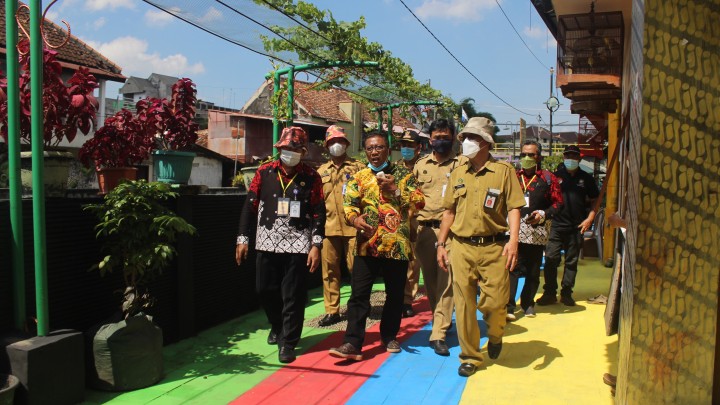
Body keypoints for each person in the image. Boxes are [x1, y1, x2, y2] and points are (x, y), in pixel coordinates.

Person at [435, 116, 525, 377]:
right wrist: (442, 244)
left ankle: (495, 334)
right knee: (463, 307)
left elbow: (514, 208)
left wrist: (514, 241)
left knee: (495, 304)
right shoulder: (458, 173)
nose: (467, 143)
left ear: (486, 142)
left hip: (494, 248)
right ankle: (470, 357)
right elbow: (449, 211)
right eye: (465, 138)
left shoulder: (504, 172)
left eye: (473, 138)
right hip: (461, 247)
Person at [328, 131, 424, 361]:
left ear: (388, 150)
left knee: (394, 295)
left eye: (379, 147)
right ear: (365, 151)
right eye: (370, 148)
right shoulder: (358, 177)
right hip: (366, 245)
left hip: (396, 246)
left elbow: (419, 202)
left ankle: (389, 335)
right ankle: (352, 343)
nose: (374, 152)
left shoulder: (403, 175)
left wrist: (396, 191)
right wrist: (354, 220)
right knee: (359, 295)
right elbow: (349, 205)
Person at [236, 126, 325, 364]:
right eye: (284, 148)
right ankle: (276, 326)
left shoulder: (312, 177)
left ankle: (288, 342)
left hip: (297, 244)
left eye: (293, 148)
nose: (288, 152)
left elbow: (318, 212)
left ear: (303, 151)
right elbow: (249, 206)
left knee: (293, 296)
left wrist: (316, 245)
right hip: (267, 242)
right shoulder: (264, 172)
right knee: (264, 290)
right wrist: (242, 239)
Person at [413, 118, 466, 356]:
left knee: (447, 281)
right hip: (424, 231)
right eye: (437, 137)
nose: (441, 141)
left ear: (453, 138)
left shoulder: (462, 164)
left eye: (445, 137)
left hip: (452, 232)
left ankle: (438, 333)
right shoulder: (420, 165)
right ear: (430, 139)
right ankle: (441, 320)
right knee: (432, 283)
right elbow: (412, 198)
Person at [506, 140, 563, 320]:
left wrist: (543, 214)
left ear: (539, 156)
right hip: (514, 230)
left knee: (532, 269)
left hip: (536, 231)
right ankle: (508, 306)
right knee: (511, 267)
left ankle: (528, 303)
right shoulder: (513, 176)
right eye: (524, 155)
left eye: (531, 154)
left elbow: (559, 204)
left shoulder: (548, 178)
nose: (527, 158)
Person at [536, 145, 599, 307]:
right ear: (564, 157)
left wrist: (590, 219)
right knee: (551, 259)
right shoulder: (555, 178)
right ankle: (550, 292)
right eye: (568, 155)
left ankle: (566, 293)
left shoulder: (587, 179)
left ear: (579, 158)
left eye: (574, 156)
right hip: (555, 226)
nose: (571, 158)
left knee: (571, 261)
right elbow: (546, 200)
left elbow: (595, 201)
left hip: (577, 226)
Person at [316, 125, 365, 327]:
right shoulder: (321, 172)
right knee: (329, 270)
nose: (337, 145)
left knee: (357, 268)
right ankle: (332, 310)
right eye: (333, 142)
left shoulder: (359, 168)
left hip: (354, 228)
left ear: (346, 144)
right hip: (329, 228)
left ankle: (358, 305)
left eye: (340, 141)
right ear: (327, 146)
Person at [399, 129, 423, 318]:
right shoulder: (396, 168)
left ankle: (407, 300)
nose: (406, 148)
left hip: (418, 220)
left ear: (418, 148)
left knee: (413, 263)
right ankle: (399, 297)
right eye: (403, 145)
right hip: (398, 220)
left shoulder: (423, 168)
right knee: (400, 261)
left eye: (410, 145)